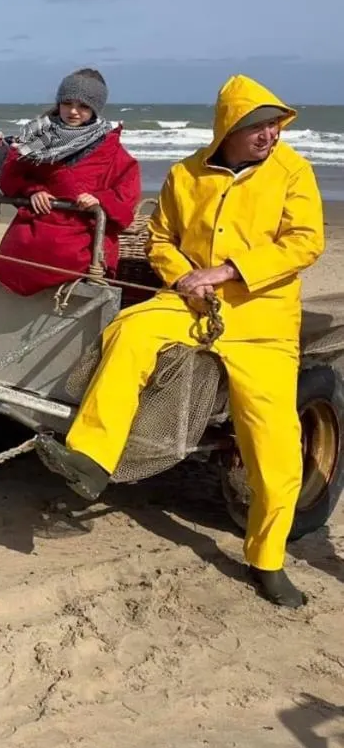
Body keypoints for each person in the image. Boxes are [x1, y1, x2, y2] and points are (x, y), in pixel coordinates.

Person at [34, 73, 325, 609]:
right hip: (192, 305)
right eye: (257, 126)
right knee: (129, 330)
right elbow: (164, 238)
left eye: (274, 125)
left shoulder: (293, 172)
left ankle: (267, 559)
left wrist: (226, 271)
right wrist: (184, 279)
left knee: (275, 447)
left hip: (262, 319)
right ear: (229, 128)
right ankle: (92, 459)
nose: (269, 135)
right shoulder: (185, 173)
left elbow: (305, 242)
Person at [0, 68, 141, 295]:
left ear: (95, 109)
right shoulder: (36, 138)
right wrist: (32, 190)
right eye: (67, 103)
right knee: (13, 256)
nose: (73, 112)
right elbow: (10, 175)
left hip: (83, 236)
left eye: (84, 106)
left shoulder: (112, 149)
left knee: (70, 257)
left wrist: (99, 200)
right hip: (35, 228)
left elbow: (126, 198)